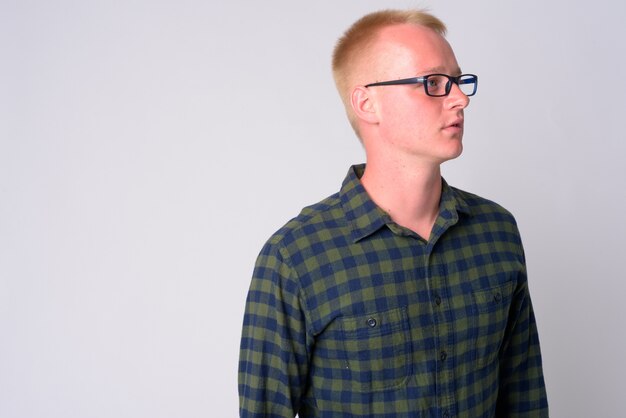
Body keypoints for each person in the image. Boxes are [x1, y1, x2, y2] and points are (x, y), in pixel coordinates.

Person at [238, 9, 548, 418]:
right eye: (434, 83)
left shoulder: (497, 232)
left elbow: (523, 396)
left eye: (458, 80)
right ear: (368, 103)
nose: (461, 98)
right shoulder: (295, 257)